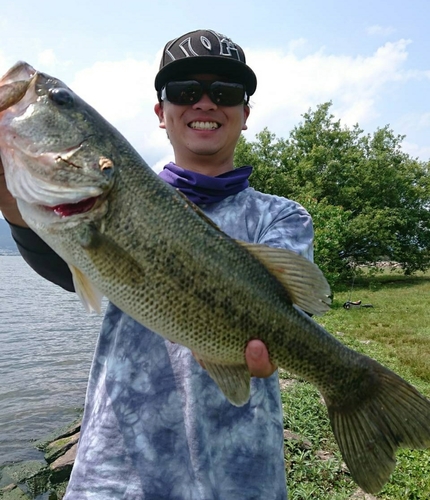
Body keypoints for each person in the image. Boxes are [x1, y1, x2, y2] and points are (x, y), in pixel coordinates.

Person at [0, 29, 314, 499]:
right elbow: (72, 269)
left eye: (225, 93)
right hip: (114, 473)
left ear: (245, 115)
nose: (204, 103)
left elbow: (295, 313)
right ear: (161, 113)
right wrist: (14, 206)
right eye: (184, 92)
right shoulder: (105, 198)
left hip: (237, 477)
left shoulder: (281, 216)